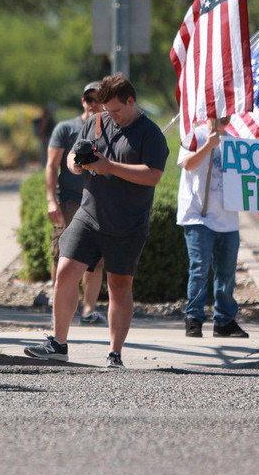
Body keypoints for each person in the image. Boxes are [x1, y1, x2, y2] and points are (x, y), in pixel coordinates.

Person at [24, 73, 168, 369]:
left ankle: (114, 354)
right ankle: (58, 343)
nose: (110, 115)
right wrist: (76, 165)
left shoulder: (150, 134)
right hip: (88, 215)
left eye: (116, 110)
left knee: (118, 287)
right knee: (65, 271)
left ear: (131, 101)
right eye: (105, 110)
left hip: (127, 223)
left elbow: (153, 175)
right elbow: (71, 156)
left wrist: (109, 167)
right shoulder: (96, 121)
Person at [176, 117, 250, 339]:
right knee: (200, 269)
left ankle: (224, 321)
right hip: (199, 217)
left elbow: (247, 181)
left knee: (226, 273)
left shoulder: (235, 143)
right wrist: (208, 145)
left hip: (227, 219)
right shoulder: (194, 136)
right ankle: (194, 319)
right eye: (221, 110)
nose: (225, 116)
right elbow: (187, 164)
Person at [44, 83, 107, 325]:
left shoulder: (109, 130)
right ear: (83, 101)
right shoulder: (66, 128)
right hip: (69, 202)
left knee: (96, 261)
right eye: (88, 98)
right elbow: (51, 165)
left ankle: (89, 310)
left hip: (98, 203)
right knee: (62, 256)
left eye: (98, 98)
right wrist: (51, 200)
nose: (93, 103)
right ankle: (58, 304)